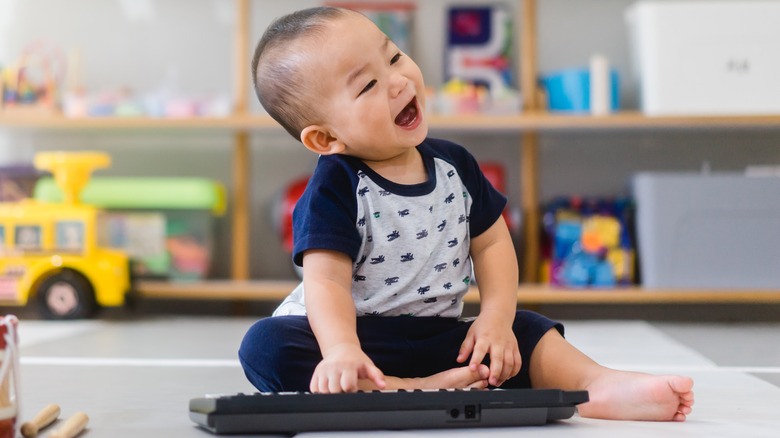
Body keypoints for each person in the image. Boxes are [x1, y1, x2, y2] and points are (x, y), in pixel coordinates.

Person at [239, 6, 695, 421]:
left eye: (394, 57)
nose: (398, 81)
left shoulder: (454, 165)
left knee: (524, 328)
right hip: (359, 340)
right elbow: (326, 282)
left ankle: (596, 384)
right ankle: (406, 390)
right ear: (325, 139)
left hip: (441, 337)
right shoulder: (336, 184)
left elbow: (493, 242)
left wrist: (494, 318)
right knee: (266, 347)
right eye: (369, 85)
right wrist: (341, 350)